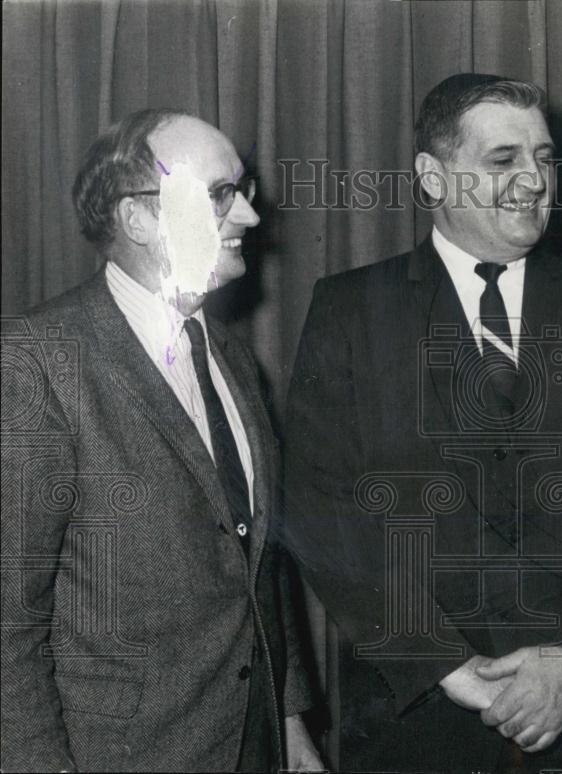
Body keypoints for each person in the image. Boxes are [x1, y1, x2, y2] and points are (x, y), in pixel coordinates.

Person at [283, 73, 562, 772]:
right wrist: (442, 664)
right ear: (432, 178)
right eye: (504, 160)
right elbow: (320, 511)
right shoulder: (349, 309)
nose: (534, 180)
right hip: (414, 711)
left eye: (545, 158)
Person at [0, 109, 323, 772]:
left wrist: (288, 720)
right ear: (138, 218)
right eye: (218, 196)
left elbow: (259, 563)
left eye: (244, 192)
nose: (251, 219)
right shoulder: (38, 360)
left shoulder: (233, 358)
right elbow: (10, 616)